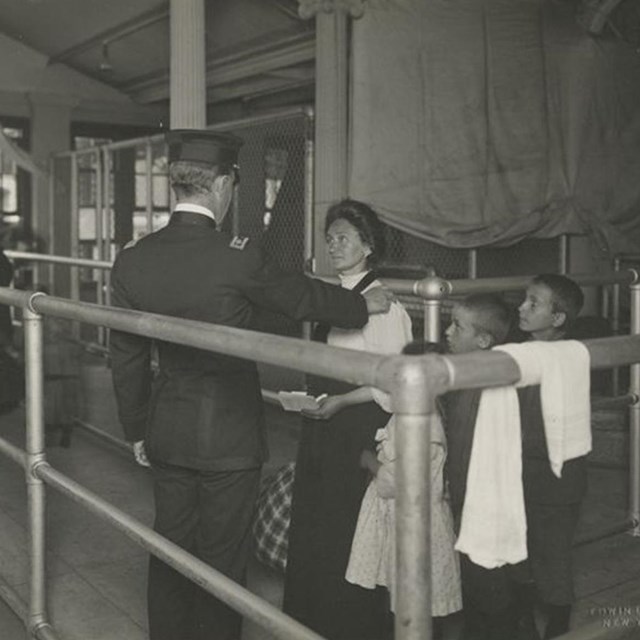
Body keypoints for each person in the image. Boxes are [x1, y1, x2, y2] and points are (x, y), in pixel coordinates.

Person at [109, 130, 394, 640]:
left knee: (171, 547)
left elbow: (126, 356)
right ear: (221, 185)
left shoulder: (133, 259)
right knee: (222, 558)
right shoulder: (236, 255)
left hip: (167, 427)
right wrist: (360, 304)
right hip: (229, 434)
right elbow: (298, 296)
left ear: (177, 186)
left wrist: (135, 427)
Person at [283, 199, 413, 640]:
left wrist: (340, 402)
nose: (334, 245)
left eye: (344, 238)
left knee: (346, 534)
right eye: (330, 238)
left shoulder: (386, 307)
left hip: (356, 428)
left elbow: (394, 383)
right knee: (316, 529)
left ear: (368, 244)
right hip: (323, 422)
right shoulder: (337, 298)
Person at [345, 339, 463, 638]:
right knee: (403, 589)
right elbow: (383, 396)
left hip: (416, 522)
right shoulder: (415, 405)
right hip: (399, 518)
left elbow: (400, 480)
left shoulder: (423, 422)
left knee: (421, 597)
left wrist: (369, 460)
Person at [442, 294, 519, 640]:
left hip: (484, 506)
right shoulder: (463, 378)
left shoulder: (492, 386)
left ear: (484, 341)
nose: (447, 332)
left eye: (457, 326)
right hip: (465, 500)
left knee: (491, 588)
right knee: (476, 586)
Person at [516, 274, 587, 639]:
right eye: (524, 300)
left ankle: (559, 618)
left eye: (533, 304)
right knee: (528, 540)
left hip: (558, 472)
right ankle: (530, 605)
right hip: (526, 466)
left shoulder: (568, 356)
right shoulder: (520, 353)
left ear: (558, 319)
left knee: (553, 548)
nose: (521, 308)